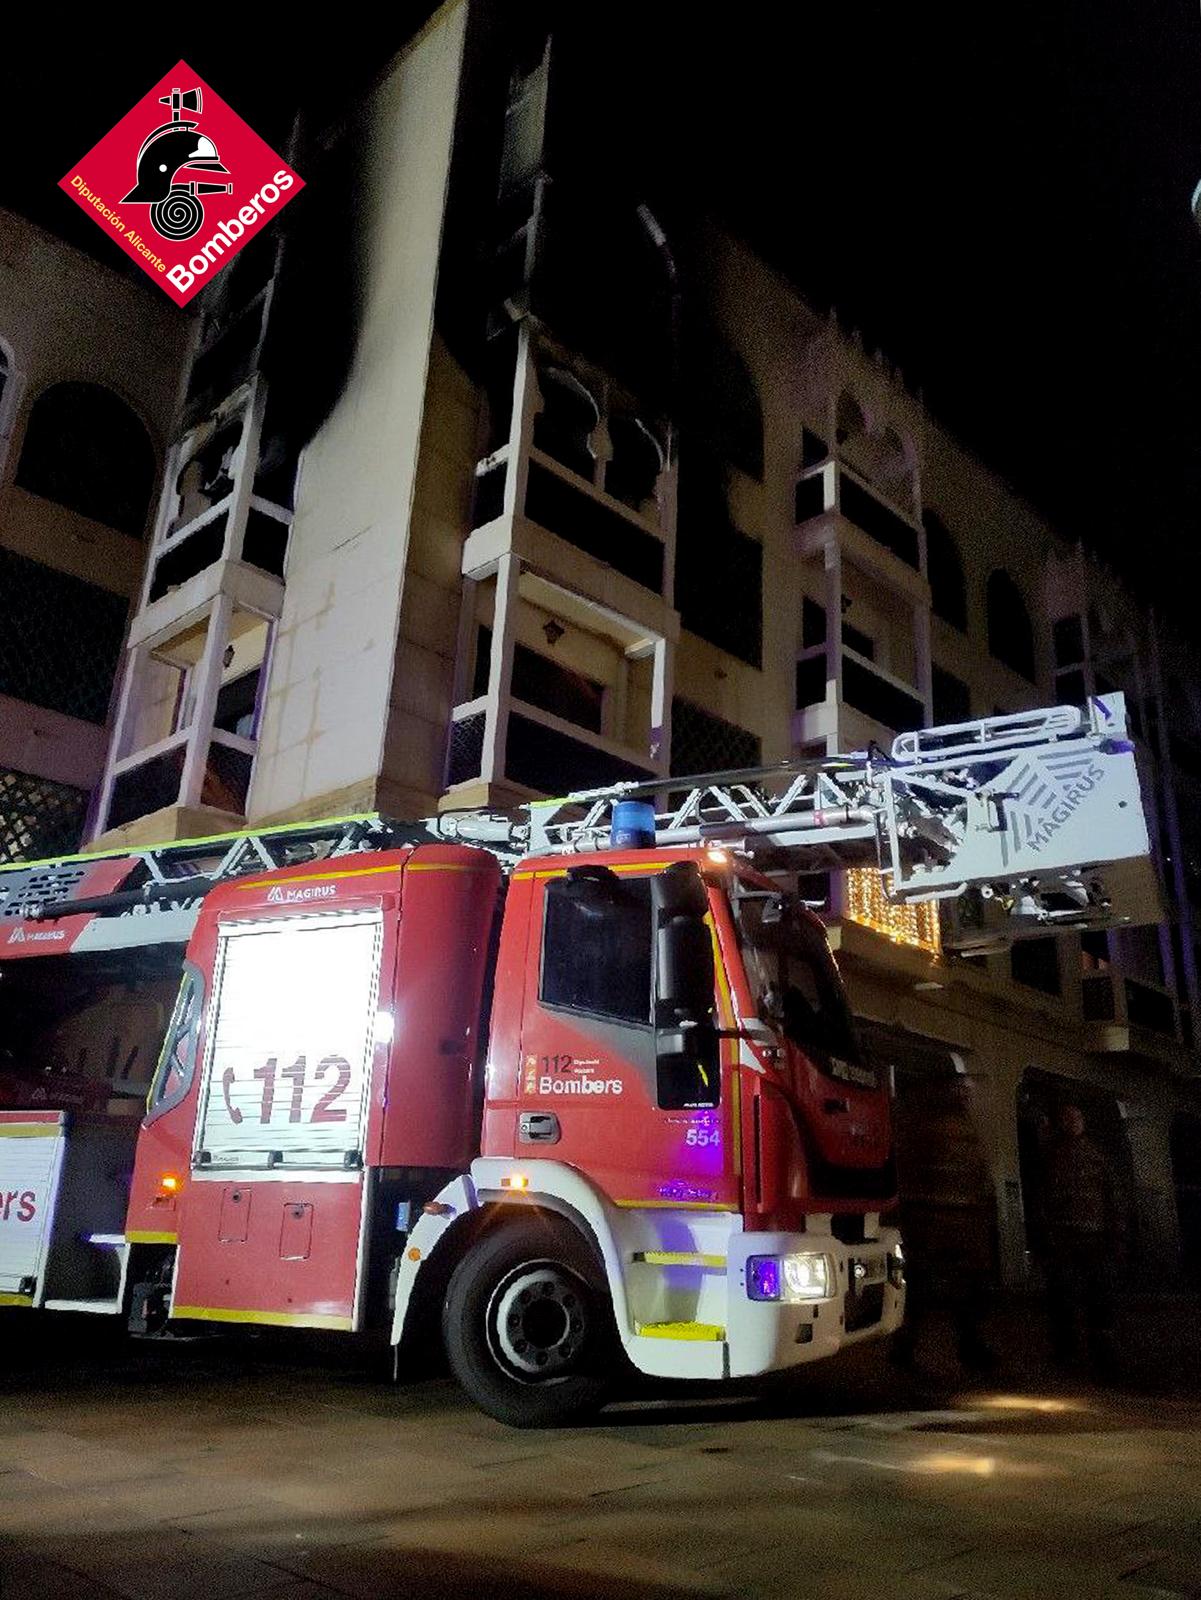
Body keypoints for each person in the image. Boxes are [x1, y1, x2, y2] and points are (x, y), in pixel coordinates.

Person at [889, 1074, 998, 1381]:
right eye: (961, 1090)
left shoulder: (967, 1128)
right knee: (920, 1292)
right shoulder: (927, 1127)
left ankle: (968, 1345)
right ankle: (904, 1347)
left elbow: (978, 1176)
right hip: (933, 1227)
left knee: (967, 1292)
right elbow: (911, 1175)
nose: (967, 1096)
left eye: (969, 1091)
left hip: (962, 1227)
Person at [1038, 1102, 1126, 1378]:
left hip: (1095, 1238)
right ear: (1061, 1123)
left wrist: (1116, 1233)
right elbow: (1042, 1197)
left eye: (1077, 1117)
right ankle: (1067, 1350)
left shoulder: (1096, 1156)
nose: (1073, 1122)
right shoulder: (1051, 1156)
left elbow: (1113, 1196)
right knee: (1062, 1296)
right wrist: (1047, 1234)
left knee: (1099, 1295)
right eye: (1067, 1118)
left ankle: (1101, 1351)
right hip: (1063, 1240)